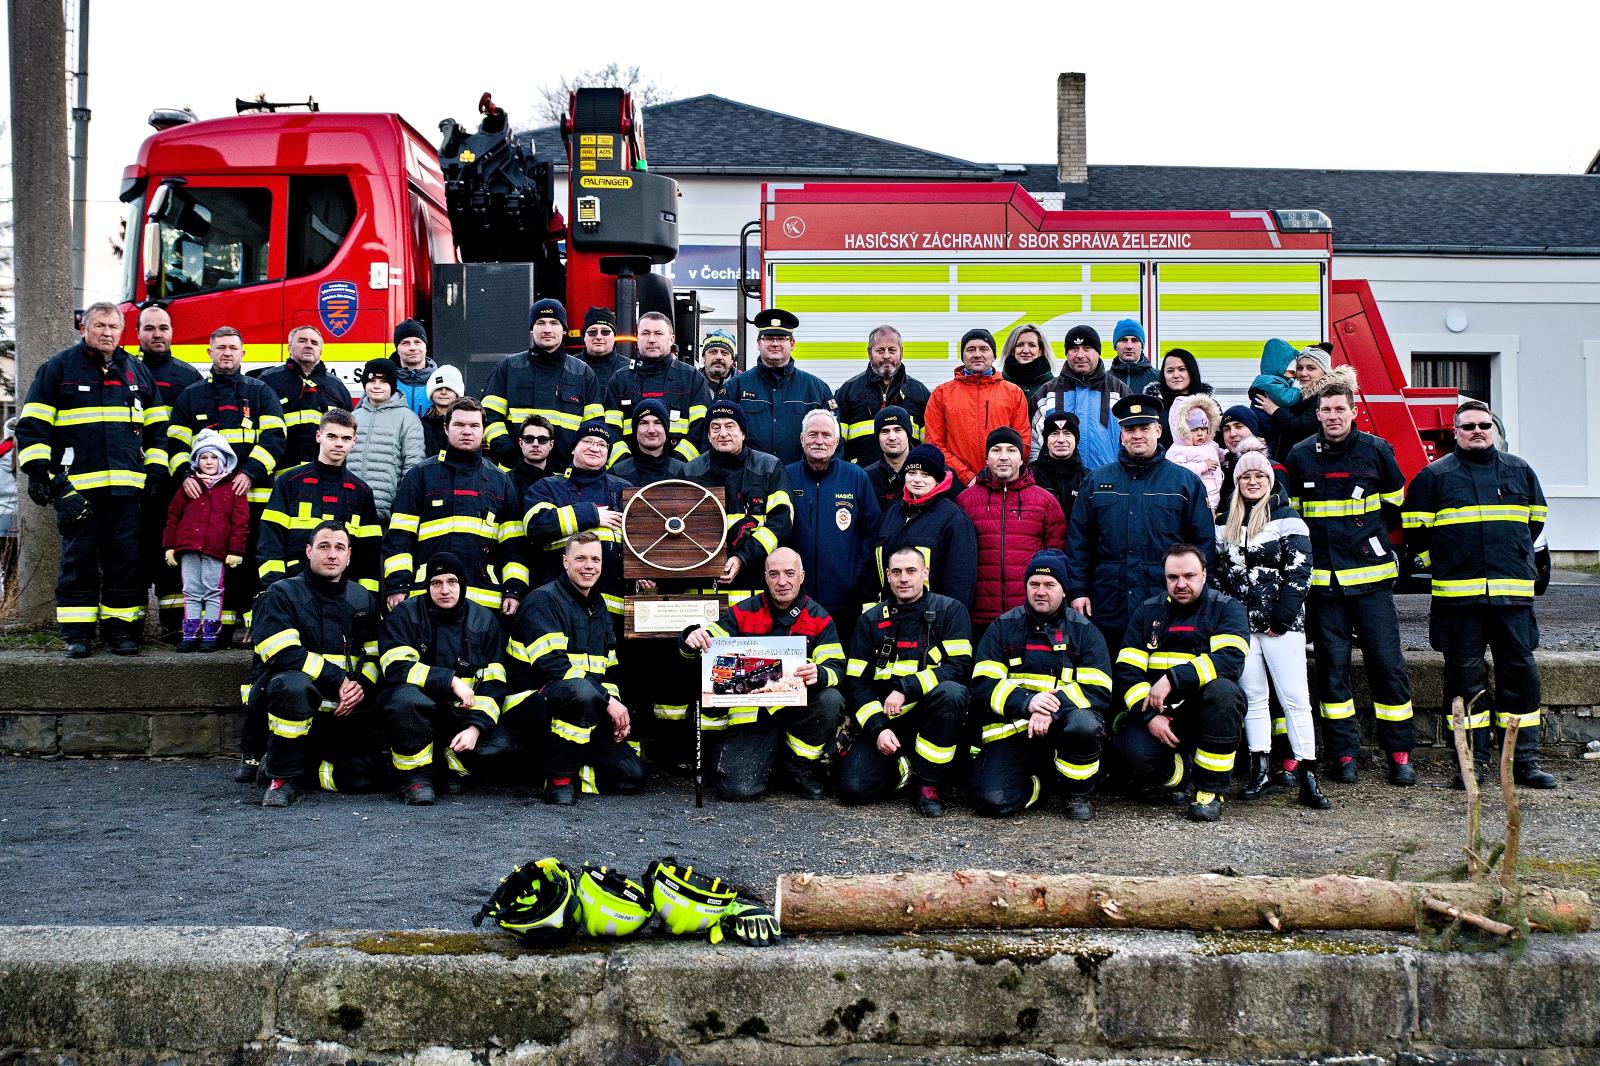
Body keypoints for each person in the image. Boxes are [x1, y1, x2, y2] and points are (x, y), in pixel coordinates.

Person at [1403, 400, 1555, 790]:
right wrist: (1448, 562)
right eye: (1467, 425)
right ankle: (1472, 764)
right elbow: (1415, 535)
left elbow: (1533, 524)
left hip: (1512, 599)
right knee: (1464, 682)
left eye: (1484, 425)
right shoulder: (1433, 477)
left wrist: (1511, 558)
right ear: (1454, 432)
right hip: (1459, 602)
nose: (1477, 431)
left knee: (1520, 678)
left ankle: (1524, 762)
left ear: (1494, 430)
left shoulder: (1520, 471)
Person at [1284, 378, 1416, 786]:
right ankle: (1344, 755)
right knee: (1331, 670)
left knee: (1387, 666)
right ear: (1317, 413)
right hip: (1325, 587)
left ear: (1353, 411)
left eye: (1340, 409)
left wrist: (1370, 541)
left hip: (1373, 583)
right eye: (1326, 410)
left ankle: (1400, 753)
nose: (1333, 417)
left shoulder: (1377, 451)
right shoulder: (1301, 455)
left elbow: (1395, 505)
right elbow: (1295, 519)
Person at [17, 302, 168, 656]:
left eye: (113, 326)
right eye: (99, 325)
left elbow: (159, 429)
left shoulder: (136, 372)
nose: (107, 332)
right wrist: (41, 475)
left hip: (127, 491)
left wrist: (156, 471)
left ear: (122, 331)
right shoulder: (58, 369)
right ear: (84, 328)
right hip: (77, 491)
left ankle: (121, 633)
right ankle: (77, 635)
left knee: (126, 562)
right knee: (78, 561)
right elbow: (33, 426)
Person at [1212, 440, 1329, 809]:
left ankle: (1308, 774)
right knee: (1255, 699)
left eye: (1259, 475)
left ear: (1270, 479)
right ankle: (1260, 769)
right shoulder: (1223, 522)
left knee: (1295, 699)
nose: (1252, 481)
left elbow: (1300, 571)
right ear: (1236, 480)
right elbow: (1217, 574)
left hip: (1282, 625)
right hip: (1242, 627)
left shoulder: (1287, 518)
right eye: (1245, 475)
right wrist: (1227, 618)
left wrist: (1282, 615)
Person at [679, 547, 846, 802]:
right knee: (737, 790)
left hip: (797, 712)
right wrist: (691, 637)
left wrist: (820, 673)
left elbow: (836, 667)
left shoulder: (819, 618)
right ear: (765, 577)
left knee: (830, 699)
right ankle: (765, 761)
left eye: (789, 573)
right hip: (754, 717)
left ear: (802, 576)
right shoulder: (743, 612)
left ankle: (799, 766)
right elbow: (708, 643)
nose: (782, 582)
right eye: (774, 574)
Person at [1107, 544, 1249, 822]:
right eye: (1173, 577)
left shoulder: (1226, 609)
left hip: (1201, 715)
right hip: (1157, 714)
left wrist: (1173, 678)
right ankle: (1181, 774)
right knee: (1131, 757)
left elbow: (1229, 660)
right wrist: (1149, 717)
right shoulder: (1147, 612)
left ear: (1205, 575)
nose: (1181, 584)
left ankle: (1209, 791)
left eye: (1189, 576)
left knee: (1224, 692)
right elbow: (1127, 672)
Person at [968, 550, 1112, 820]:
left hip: (1063, 730)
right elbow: (983, 684)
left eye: (1049, 585)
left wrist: (1049, 710)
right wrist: (1027, 703)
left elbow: (1098, 689)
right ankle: (1044, 784)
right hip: (1013, 732)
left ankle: (1076, 794)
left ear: (1064, 589)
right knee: (991, 801)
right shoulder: (1002, 627)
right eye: (1034, 584)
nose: (1041, 591)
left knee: (1085, 724)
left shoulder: (1085, 631)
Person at [503, 532, 645, 804]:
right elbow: (554, 668)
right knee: (579, 692)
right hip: (532, 705)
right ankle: (558, 780)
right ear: (565, 561)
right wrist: (607, 703)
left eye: (595, 559)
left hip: (585, 707)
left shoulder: (598, 604)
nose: (588, 566)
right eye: (580, 558)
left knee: (632, 776)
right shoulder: (543, 602)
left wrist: (612, 707)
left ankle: (567, 765)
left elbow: (609, 671)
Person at [1066, 395, 1214, 653]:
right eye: (1129, 429)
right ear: (1121, 434)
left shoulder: (1184, 483)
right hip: (1107, 604)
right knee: (1109, 679)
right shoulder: (1096, 482)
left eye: (1144, 428)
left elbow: (1203, 546)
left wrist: (1195, 595)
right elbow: (1079, 543)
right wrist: (1078, 590)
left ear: (1158, 430)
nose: (1137, 435)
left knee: (1162, 678)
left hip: (1166, 601)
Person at [166, 326, 286, 641]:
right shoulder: (192, 396)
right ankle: (218, 627)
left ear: (243, 353)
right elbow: (175, 444)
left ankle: (251, 628)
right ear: (210, 353)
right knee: (213, 564)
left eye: (233, 347)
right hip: (206, 502)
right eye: (221, 347)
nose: (227, 353)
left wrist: (249, 472)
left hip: (253, 495)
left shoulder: (260, 392)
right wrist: (184, 476)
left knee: (249, 563)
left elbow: (275, 438)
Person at [253, 521, 385, 807]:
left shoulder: (363, 598)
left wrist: (360, 686)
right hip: (297, 706)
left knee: (367, 778)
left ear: (349, 555)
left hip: (344, 710)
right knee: (293, 684)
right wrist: (338, 680)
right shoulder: (282, 593)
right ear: (309, 550)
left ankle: (304, 768)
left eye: (339, 548)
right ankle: (282, 778)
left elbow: (376, 655)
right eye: (324, 546)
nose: (332, 555)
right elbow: (282, 651)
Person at [838, 547, 973, 817]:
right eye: (896, 572)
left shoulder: (950, 611)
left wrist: (905, 687)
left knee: (952, 693)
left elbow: (958, 667)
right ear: (887, 576)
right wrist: (877, 730)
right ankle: (905, 766)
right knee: (853, 788)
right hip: (887, 721)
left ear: (925, 573)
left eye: (911, 571)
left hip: (931, 717)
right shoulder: (870, 620)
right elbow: (857, 685)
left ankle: (928, 785)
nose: (904, 578)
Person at [378, 551, 510, 804]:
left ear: (463, 584)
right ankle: (416, 779)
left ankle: (449, 765)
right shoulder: (406, 614)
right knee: (405, 699)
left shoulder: (483, 620)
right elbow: (396, 667)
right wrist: (450, 680)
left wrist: (474, 728)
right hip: (418, 715)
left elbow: (495, 685)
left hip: (460, 716)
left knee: (503, 744)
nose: (444, 590)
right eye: (436, 583)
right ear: (427, 587)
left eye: (452, 581)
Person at [384, 397, 530, 615]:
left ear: (484, 430)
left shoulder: (501, 481)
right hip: (427, 597)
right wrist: (398, 585)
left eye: (474, 425)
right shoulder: (421, 475)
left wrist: (514, 590)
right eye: (459, 425)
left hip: (483, 600)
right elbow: (399, 537)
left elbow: (513, 545)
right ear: (445, 428)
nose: (467, 431)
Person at [132, 303, 201, 643]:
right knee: (131, 556)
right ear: (138, 333)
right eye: (149, 328)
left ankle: (174, 628)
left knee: (173, 555)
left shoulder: (188, 378)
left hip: (176, 484)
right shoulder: (125, 372)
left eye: (163, 328)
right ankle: (131, 629)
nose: (157, 334)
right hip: (131, 483)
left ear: (172, 333)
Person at [256, 409, 382, 595]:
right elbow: (270, 538)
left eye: (346, 438)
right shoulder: (289, 481)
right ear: (318, 436)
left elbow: (369, 553)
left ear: (354, 442)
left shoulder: (361, 491)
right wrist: (274, 588)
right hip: (292, 589)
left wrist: (365, 599)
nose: (339, 444)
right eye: (332, 436)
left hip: (342, 594)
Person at [682, 399, 794, 605]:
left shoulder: (769, 468)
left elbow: (781, 524)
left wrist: (743, 557)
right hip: (702, 592)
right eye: (715, 427)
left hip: (755, 588)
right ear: (708, 435)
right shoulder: (690, 472)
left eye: (730, 426)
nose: (722, 433)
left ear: (743, 433)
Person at [957, 427, 1067, 635]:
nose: (1004, 457)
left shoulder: (1045, 501)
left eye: (1011, 450)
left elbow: (1058, 556)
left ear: (1022, 457)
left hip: (1029, 614)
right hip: (978, 615)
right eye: (996, 450)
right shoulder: (965, 501)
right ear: (987, 458)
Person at [786, 410, 880, 638]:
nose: (819, 441)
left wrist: (856, 577)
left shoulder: (856, 477)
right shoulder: (785, 475)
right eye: (812, 434)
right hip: (795, 600)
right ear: (801, 439)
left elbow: (872, 532)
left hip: (845, 600)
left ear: (837, 441)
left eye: (826, 435)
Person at [524, 419, 630, 619]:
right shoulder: (547, 487)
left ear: (608, 453)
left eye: (601, 445)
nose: (594, 448)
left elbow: (641, 539)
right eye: (588, 442)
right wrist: (592, 515)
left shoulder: (624, 489)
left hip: (613, 606)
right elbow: (536, 525)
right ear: (573, 449)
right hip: (559, 604)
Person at [483, 298, 604, 467]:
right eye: (540, 323)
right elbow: (488, 416)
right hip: (514, 473)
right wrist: (507, 452)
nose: (547, 329)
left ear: (564, 330)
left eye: (554, 323)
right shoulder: (508, 368)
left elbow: (593, 427)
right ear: (532, 329)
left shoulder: (583, 373)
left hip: (564, 477)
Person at [162, 429, 250, 652]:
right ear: (196, 460)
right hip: (188, 547)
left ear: (223, 460)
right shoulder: (188, 486)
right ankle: (190, 634)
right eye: (203, 457)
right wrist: (169, 546)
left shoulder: (233, 489)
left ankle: (210, 635)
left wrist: (236, 551)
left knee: (212, 590)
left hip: (216, 550)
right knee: (191, 589)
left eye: (213, 457)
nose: (208, 462)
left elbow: (241, 523)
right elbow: (173, 517)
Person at [864, 443, 977, 608]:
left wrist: (947, 622)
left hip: (931, 623)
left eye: (925, 474)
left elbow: (960, 582)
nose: (917, 480)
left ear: (938, 480)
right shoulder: (891, 514)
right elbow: (873, 570)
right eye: (911, 473)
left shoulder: (954, 519)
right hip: (889, 620)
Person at [724, 308, 835, 466]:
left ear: (792, 343)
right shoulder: (736, 387)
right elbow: (717, 436)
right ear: (758, 343)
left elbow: (835, 442)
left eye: (781, 338)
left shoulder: (816, 388)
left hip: (800, 481)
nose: (775, 343)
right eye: (769, 338)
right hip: (749, 482)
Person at [923, 327, 1030, 486]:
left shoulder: (1013, 393)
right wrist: (966, 476)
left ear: (993, 355)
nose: (977, 354)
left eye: (984, 349)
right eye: (971, 349)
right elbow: (934, 444)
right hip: (956, 484)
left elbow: (1023, 442)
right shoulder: (941, 394)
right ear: (962, 356)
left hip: (1002, 482)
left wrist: (998, 472)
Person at [603, 311, 711, 466]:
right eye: (645, 333)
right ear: (637, 338)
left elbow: (701, 429)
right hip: (627, 475)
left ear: (671, 339)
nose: (651, 339)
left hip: (681, 473)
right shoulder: (620, 379)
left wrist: (678, 465)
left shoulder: (691, 378)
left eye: (658, 333)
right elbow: (610, 430)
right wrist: (624, 465)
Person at [1029, 325, 1128, 471]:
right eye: (1074, 349)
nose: (1080, 355)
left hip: (1108, 486)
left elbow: (1132, 440)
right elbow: (1034, 445)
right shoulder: (1046, 393)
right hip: (1056, 488)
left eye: (1087, 348)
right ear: (1067, 353)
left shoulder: (1119, 391)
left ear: (1098, 352)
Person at [834, 325, 932, 467]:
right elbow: (836, 443)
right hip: (861, 478)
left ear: (901, 352)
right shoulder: (848, 391)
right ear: (869, 353)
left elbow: (929, 444)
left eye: (892, 350)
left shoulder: (919, 393)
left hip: (907, 480)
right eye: (880, 350)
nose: (886, 356)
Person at [257, 326, 352, 465]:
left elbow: (347, 433)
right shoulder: (268, 382)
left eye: (314, 343)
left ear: (321, 351)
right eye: (302, 341)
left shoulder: (337, 387)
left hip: (325, 475)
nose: (308, 345)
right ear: (290, 348)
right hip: (282, 476)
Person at [345, 358, 425, 522]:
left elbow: (412, 465)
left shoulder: (407, 418)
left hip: (385, 514)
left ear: (392, 386)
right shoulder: (353, 417)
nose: (376, 386)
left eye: (383, 381)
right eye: (371, 381)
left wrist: (401, 504)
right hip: (347, 507)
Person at [1257, 342, 1344, 462]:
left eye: (1311, 368)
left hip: (1307, 463)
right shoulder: (1297, 392)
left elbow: (1302, 428)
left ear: (1324, 371)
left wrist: (1275, 410)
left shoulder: (1326, 396)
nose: (1303, 373)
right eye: (1299, 368)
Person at [1142, 348, 1213, 452]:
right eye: (1170, 371)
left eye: (1182, 369)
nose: (1176, 375)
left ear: (1192, 372)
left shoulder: (1210, 407)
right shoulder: (1153, 409)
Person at [1166, 394, 1225, 511]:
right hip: (1193, 500)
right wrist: (1201, 466)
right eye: (1194, 430)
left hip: (1214, 498)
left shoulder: (1211, 445)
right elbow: (1174, 472)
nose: (1200, 434)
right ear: (1182, 430)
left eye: (1203, 429)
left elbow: (1221, 455)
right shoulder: (1178, 449)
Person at [611, 399, 688, 486]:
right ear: (635, 430)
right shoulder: (617, 474)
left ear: (666, 429)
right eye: (644, 423)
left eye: (658, 423)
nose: (651, 430)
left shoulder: (684, 473)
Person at [1030, 409, 1085, 521]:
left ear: (1076, 439)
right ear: (1046, 440)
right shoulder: (1029, 476)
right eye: (1055, 433)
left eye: (1067, 433)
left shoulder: (1087, 478)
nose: (1061, 440)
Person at [862, 405, 914, 510]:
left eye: (898, 430)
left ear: (908, 434)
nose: (892, 437)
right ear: (877, 438)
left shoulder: (932, 471)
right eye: (885, 431)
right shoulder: (866, 477)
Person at [390, 319, 438, 417]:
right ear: (397, 348)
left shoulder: (441, 381)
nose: (413, 347)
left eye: (417, 342)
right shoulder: (385, 381)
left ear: (425, 346)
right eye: (405, 343)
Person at [507, 414, 558, 501]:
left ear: (551, 445)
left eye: (542, 439)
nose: (535, 444)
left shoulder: (559, 485)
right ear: (520, 443)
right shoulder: (505, 482)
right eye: (529, 438)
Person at [579, 306, 629, 394]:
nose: (598, 337)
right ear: (584, 337)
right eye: (592, 332)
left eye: (605, 332)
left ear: (614, 337)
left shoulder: (629, 369)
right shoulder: (568, 366)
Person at [420, 365, 464, 457]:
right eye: (438, 388)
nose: (443, 392)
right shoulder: (422, 424)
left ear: (457, 394)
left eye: (449, 389)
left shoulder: (466, 423)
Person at [1106, 319, 1158, 396]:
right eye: (1123, 340)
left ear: (1142, 346)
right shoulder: (1104, 380)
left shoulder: (1159, 379)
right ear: (1115, 345)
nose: (1129, 346)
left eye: (1135, 340)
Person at [999, 323, 1054, 397]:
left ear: (1040, 350)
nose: (1025, 350)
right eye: (1020, 345)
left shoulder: (1054, 386)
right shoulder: (998, 384)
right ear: (1012, 350)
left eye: (1032, 345)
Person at [699, 329, 738, 400]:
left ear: (732, 360)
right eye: (713, 352)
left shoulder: (743, 384)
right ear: (704, 357)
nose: (719, 357)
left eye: (724, 353)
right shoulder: (692, 382)